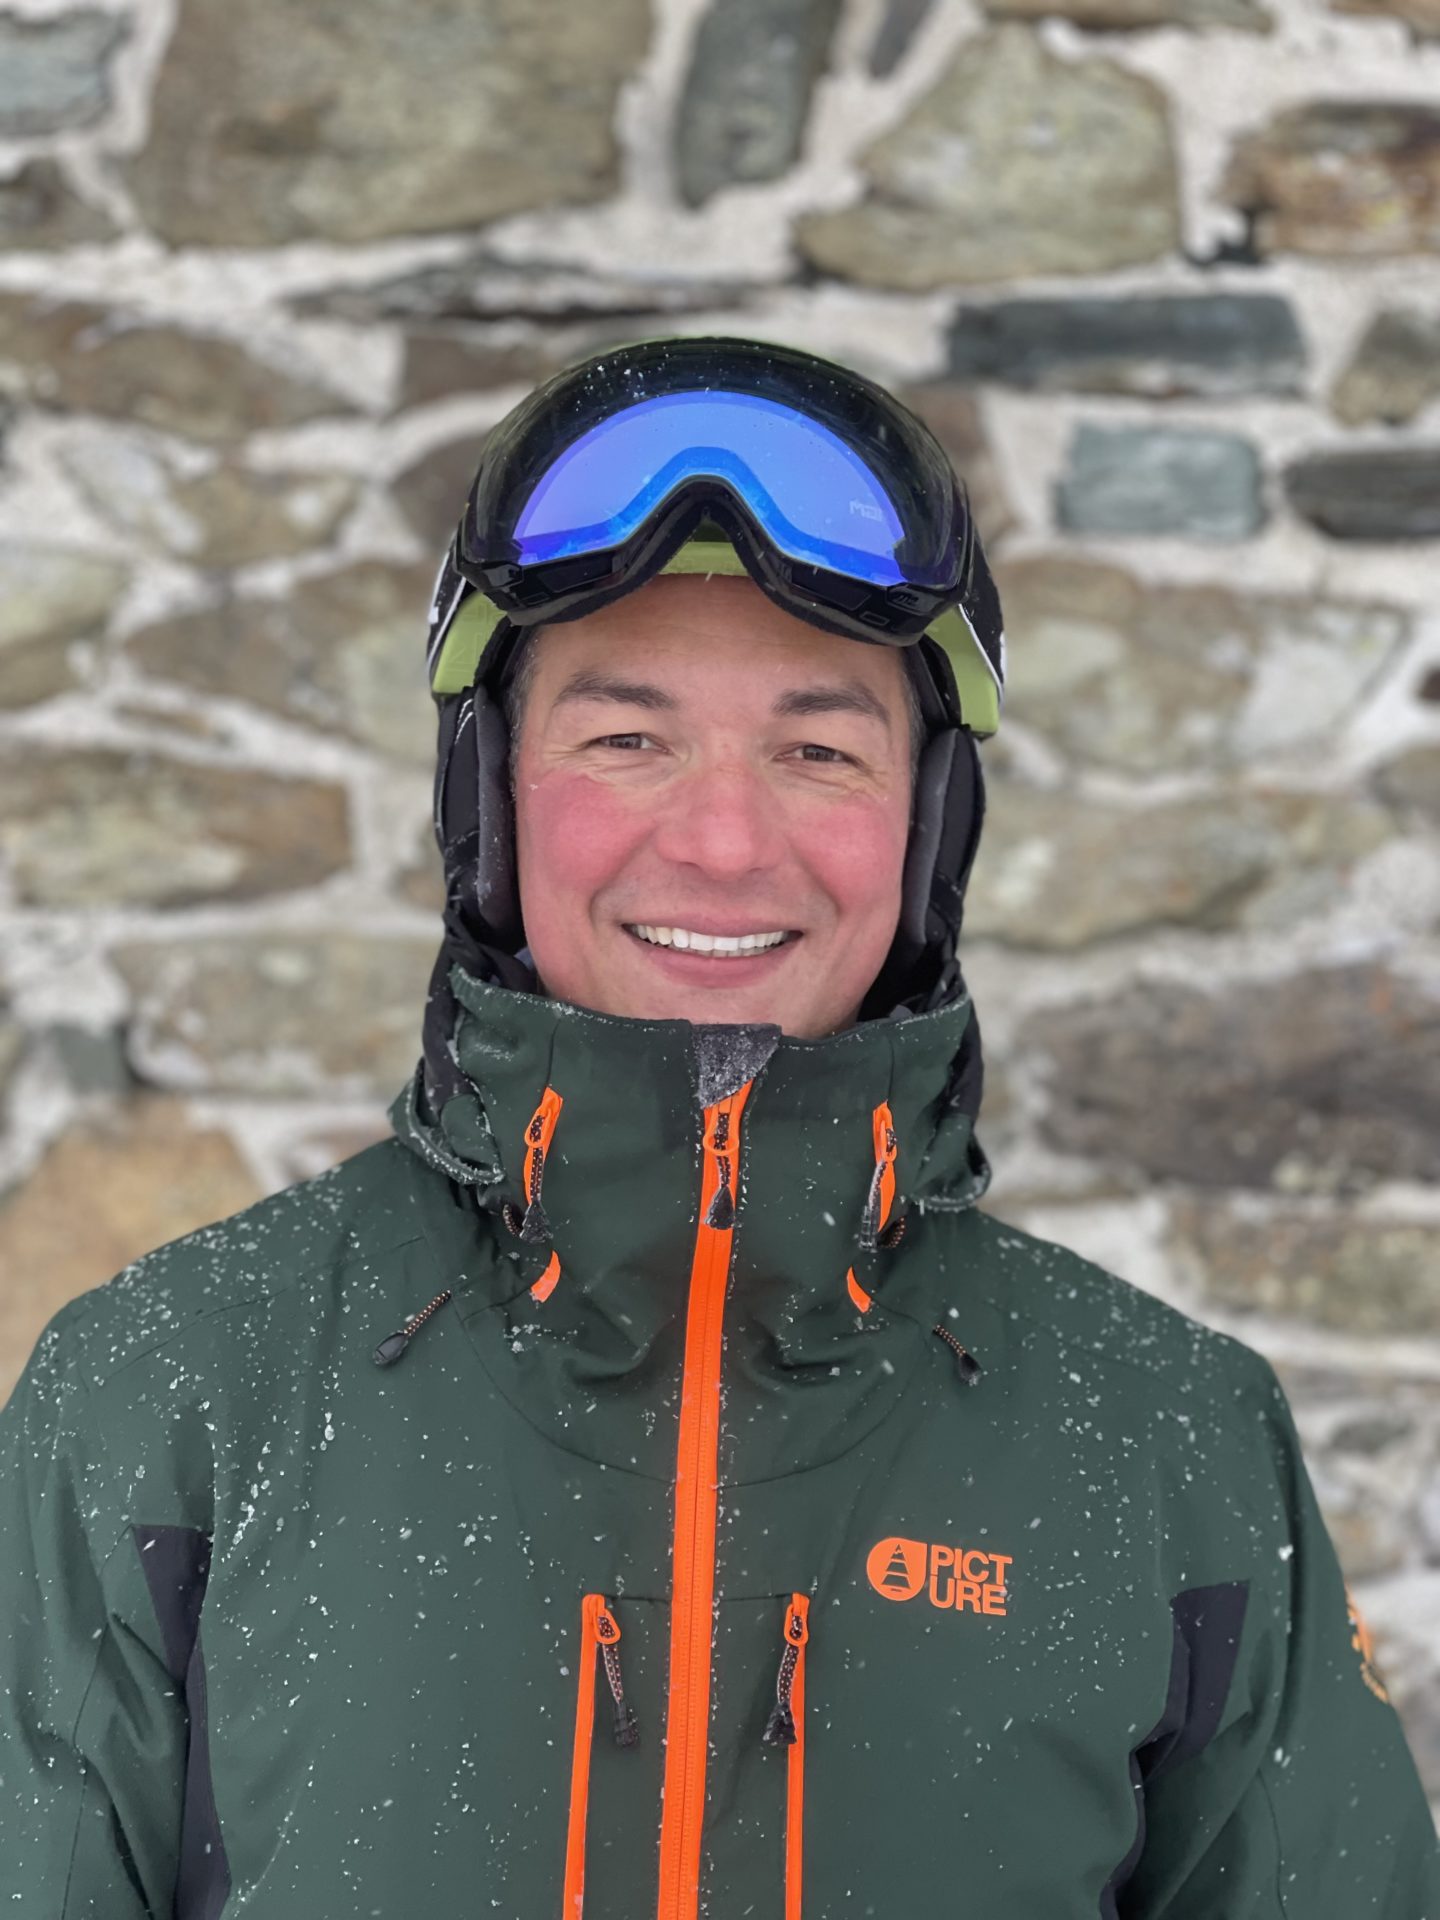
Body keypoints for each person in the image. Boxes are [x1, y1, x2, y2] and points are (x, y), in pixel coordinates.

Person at [0, 335, 1433, 1920]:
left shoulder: (1173, 1446)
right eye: (627, 738)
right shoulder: (170, 1397)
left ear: (927, 827)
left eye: (819, 750)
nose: (726, 841)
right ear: (491, 797)